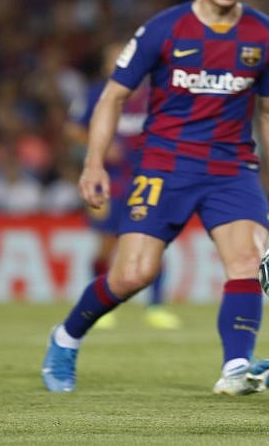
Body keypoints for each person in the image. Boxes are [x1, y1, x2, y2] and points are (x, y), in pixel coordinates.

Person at [42, 0, 269, 396]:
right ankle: (66, 336)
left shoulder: (268, 35)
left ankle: (236, 367)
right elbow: (113, 97)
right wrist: (93, 163)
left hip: (232, 169)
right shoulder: (164, 29)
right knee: (133, 274)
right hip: (165, 165)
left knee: (246, 260)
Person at [65, 43, 180, 331]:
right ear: (106, 65)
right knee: (107, 244)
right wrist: (100, 146)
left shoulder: (155, 95)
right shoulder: (95, 94)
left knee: (154, 244)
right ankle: (99, 307)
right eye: (114, 59)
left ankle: (155, 306)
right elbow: (72, 129)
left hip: (149, 180)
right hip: (109, 182)